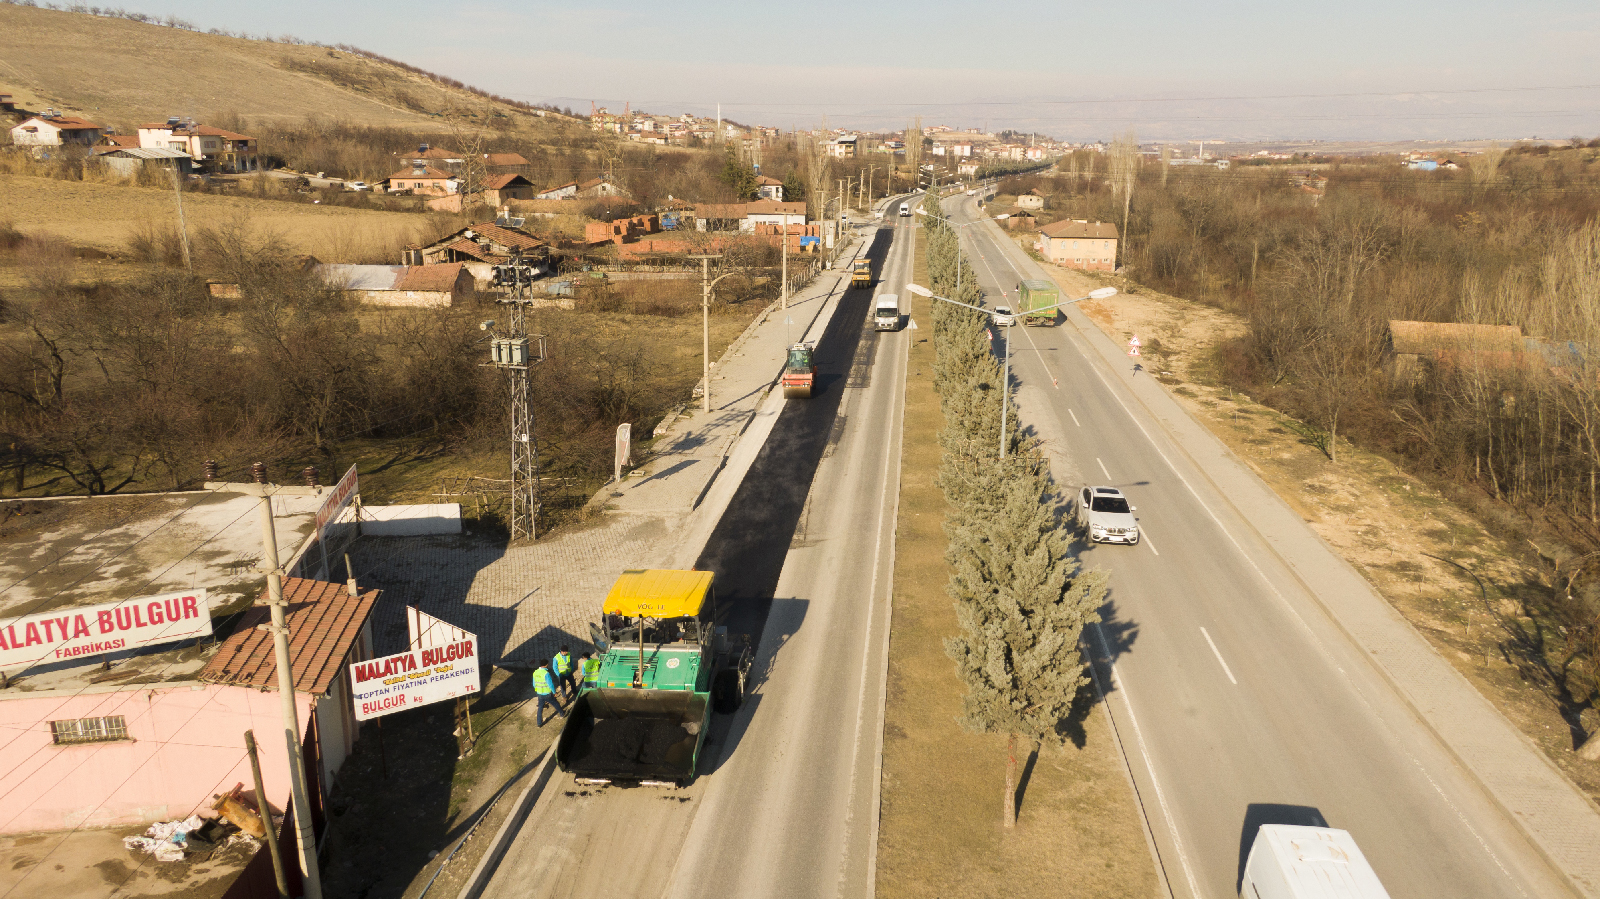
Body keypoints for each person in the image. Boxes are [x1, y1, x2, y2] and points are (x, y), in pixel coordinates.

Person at [532, 659, 562, 726]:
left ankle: (539, 723)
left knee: (540, 707)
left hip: (539, 693)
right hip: (547, 693)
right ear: (546, 664)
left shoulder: (535, 672)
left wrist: (538, 690)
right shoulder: (546, 673)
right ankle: (562, 713)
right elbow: (550, 684)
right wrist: (554, 692)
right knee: (555, 703)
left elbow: (534, 684)